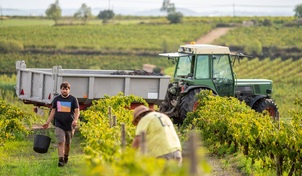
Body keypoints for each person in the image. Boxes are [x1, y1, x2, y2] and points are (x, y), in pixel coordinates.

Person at [42, 82, 80, 167]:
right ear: (61, 90)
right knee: (60, 141)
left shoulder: (73, 99)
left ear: (69, 90)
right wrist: (47, 122)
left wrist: (76, 120)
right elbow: (53, 111)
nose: (64, 90)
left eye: (66, 89)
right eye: (63, 89)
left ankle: (66, 157)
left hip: (70, 125)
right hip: (59, 124)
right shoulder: (56, 99)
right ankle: (61, 160)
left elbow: (77, 111)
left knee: (67, 143)